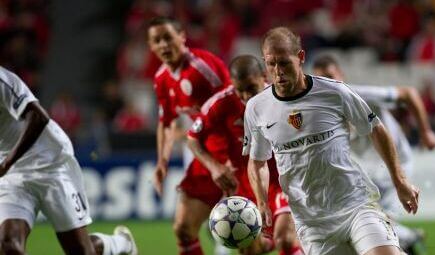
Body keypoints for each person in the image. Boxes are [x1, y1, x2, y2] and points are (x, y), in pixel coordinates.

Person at [244, 27, 419, 255]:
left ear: (300, 57)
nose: (278, 72)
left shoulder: (334, 92)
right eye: (271, 63)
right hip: (313, 224)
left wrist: (400, 180)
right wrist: (262, 201)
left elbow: (376, 128)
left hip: (355, 205)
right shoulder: (257, 107)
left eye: (285, 63)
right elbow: (257, 161)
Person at [0, 66, 137, 255]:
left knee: (81, 251)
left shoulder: (3, 81)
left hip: (49, 162)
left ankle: (119, 244)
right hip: (12, 175)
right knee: (9, 246)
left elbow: (39, 117)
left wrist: (6, 163)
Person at [312, 54, 435, 254]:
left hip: (396, 163)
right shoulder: (322, 110)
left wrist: (425, 132)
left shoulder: (361, 95)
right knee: (367, 222)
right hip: (369, 170)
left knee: (374, 222)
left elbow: (409, 93)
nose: (328, 83)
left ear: (341, 75)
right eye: (321, 79)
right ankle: (407, 238)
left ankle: (408, 238)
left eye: (330, 76)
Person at [186, 55, 302, 255]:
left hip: (282, 180)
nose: (246, 96)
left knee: (285, 239)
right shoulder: (221, 103)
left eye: (251, 88)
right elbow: (192, 138)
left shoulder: (282, 98)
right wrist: (214, 167)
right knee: (253, 250)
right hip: (244, 186)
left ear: (264, 77)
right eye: (240, 90)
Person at [147, 17, 232, 255]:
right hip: (204, 154)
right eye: (157, 40)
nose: (163, 45)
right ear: (151, 46)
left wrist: (232, 158)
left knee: (251, 241)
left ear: (181, 37)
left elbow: (236, 105)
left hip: (234, 153)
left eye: (168, 38)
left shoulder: (202, 67)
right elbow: (166, 123)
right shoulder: (161, 78)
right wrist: (162, 162)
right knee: (184, 229)